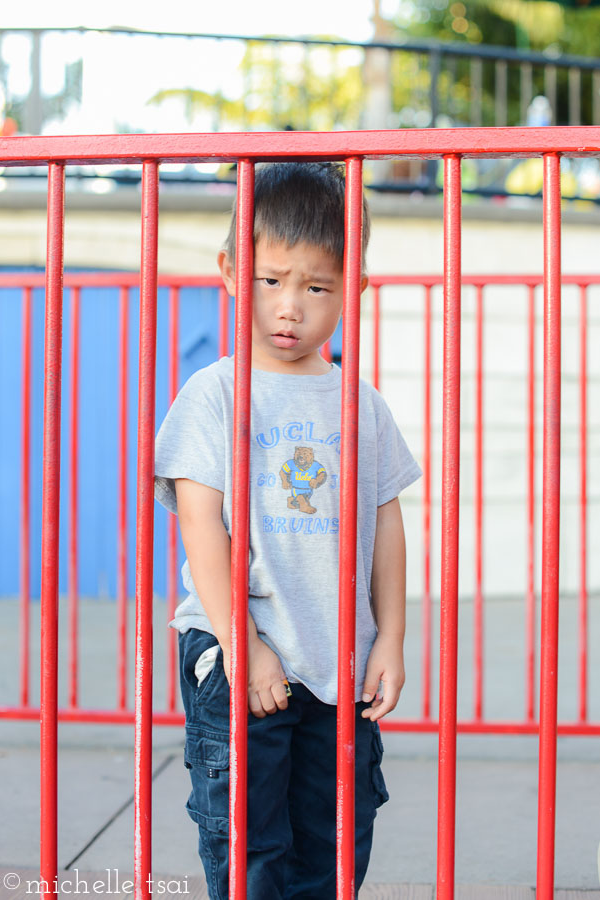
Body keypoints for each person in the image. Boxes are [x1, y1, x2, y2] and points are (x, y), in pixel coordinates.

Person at [154, 162, 421, 899]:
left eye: (316, 286)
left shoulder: (359, 404)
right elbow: (202, 531)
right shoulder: (213, 393)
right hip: (239, 653)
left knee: (333, 841)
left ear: (353, 289)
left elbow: (385, 524)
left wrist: (389, 638)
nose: (289, 307)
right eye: (271, 280)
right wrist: (246, 647)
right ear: (233, 272)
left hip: (338, 664)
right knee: (249, 841)